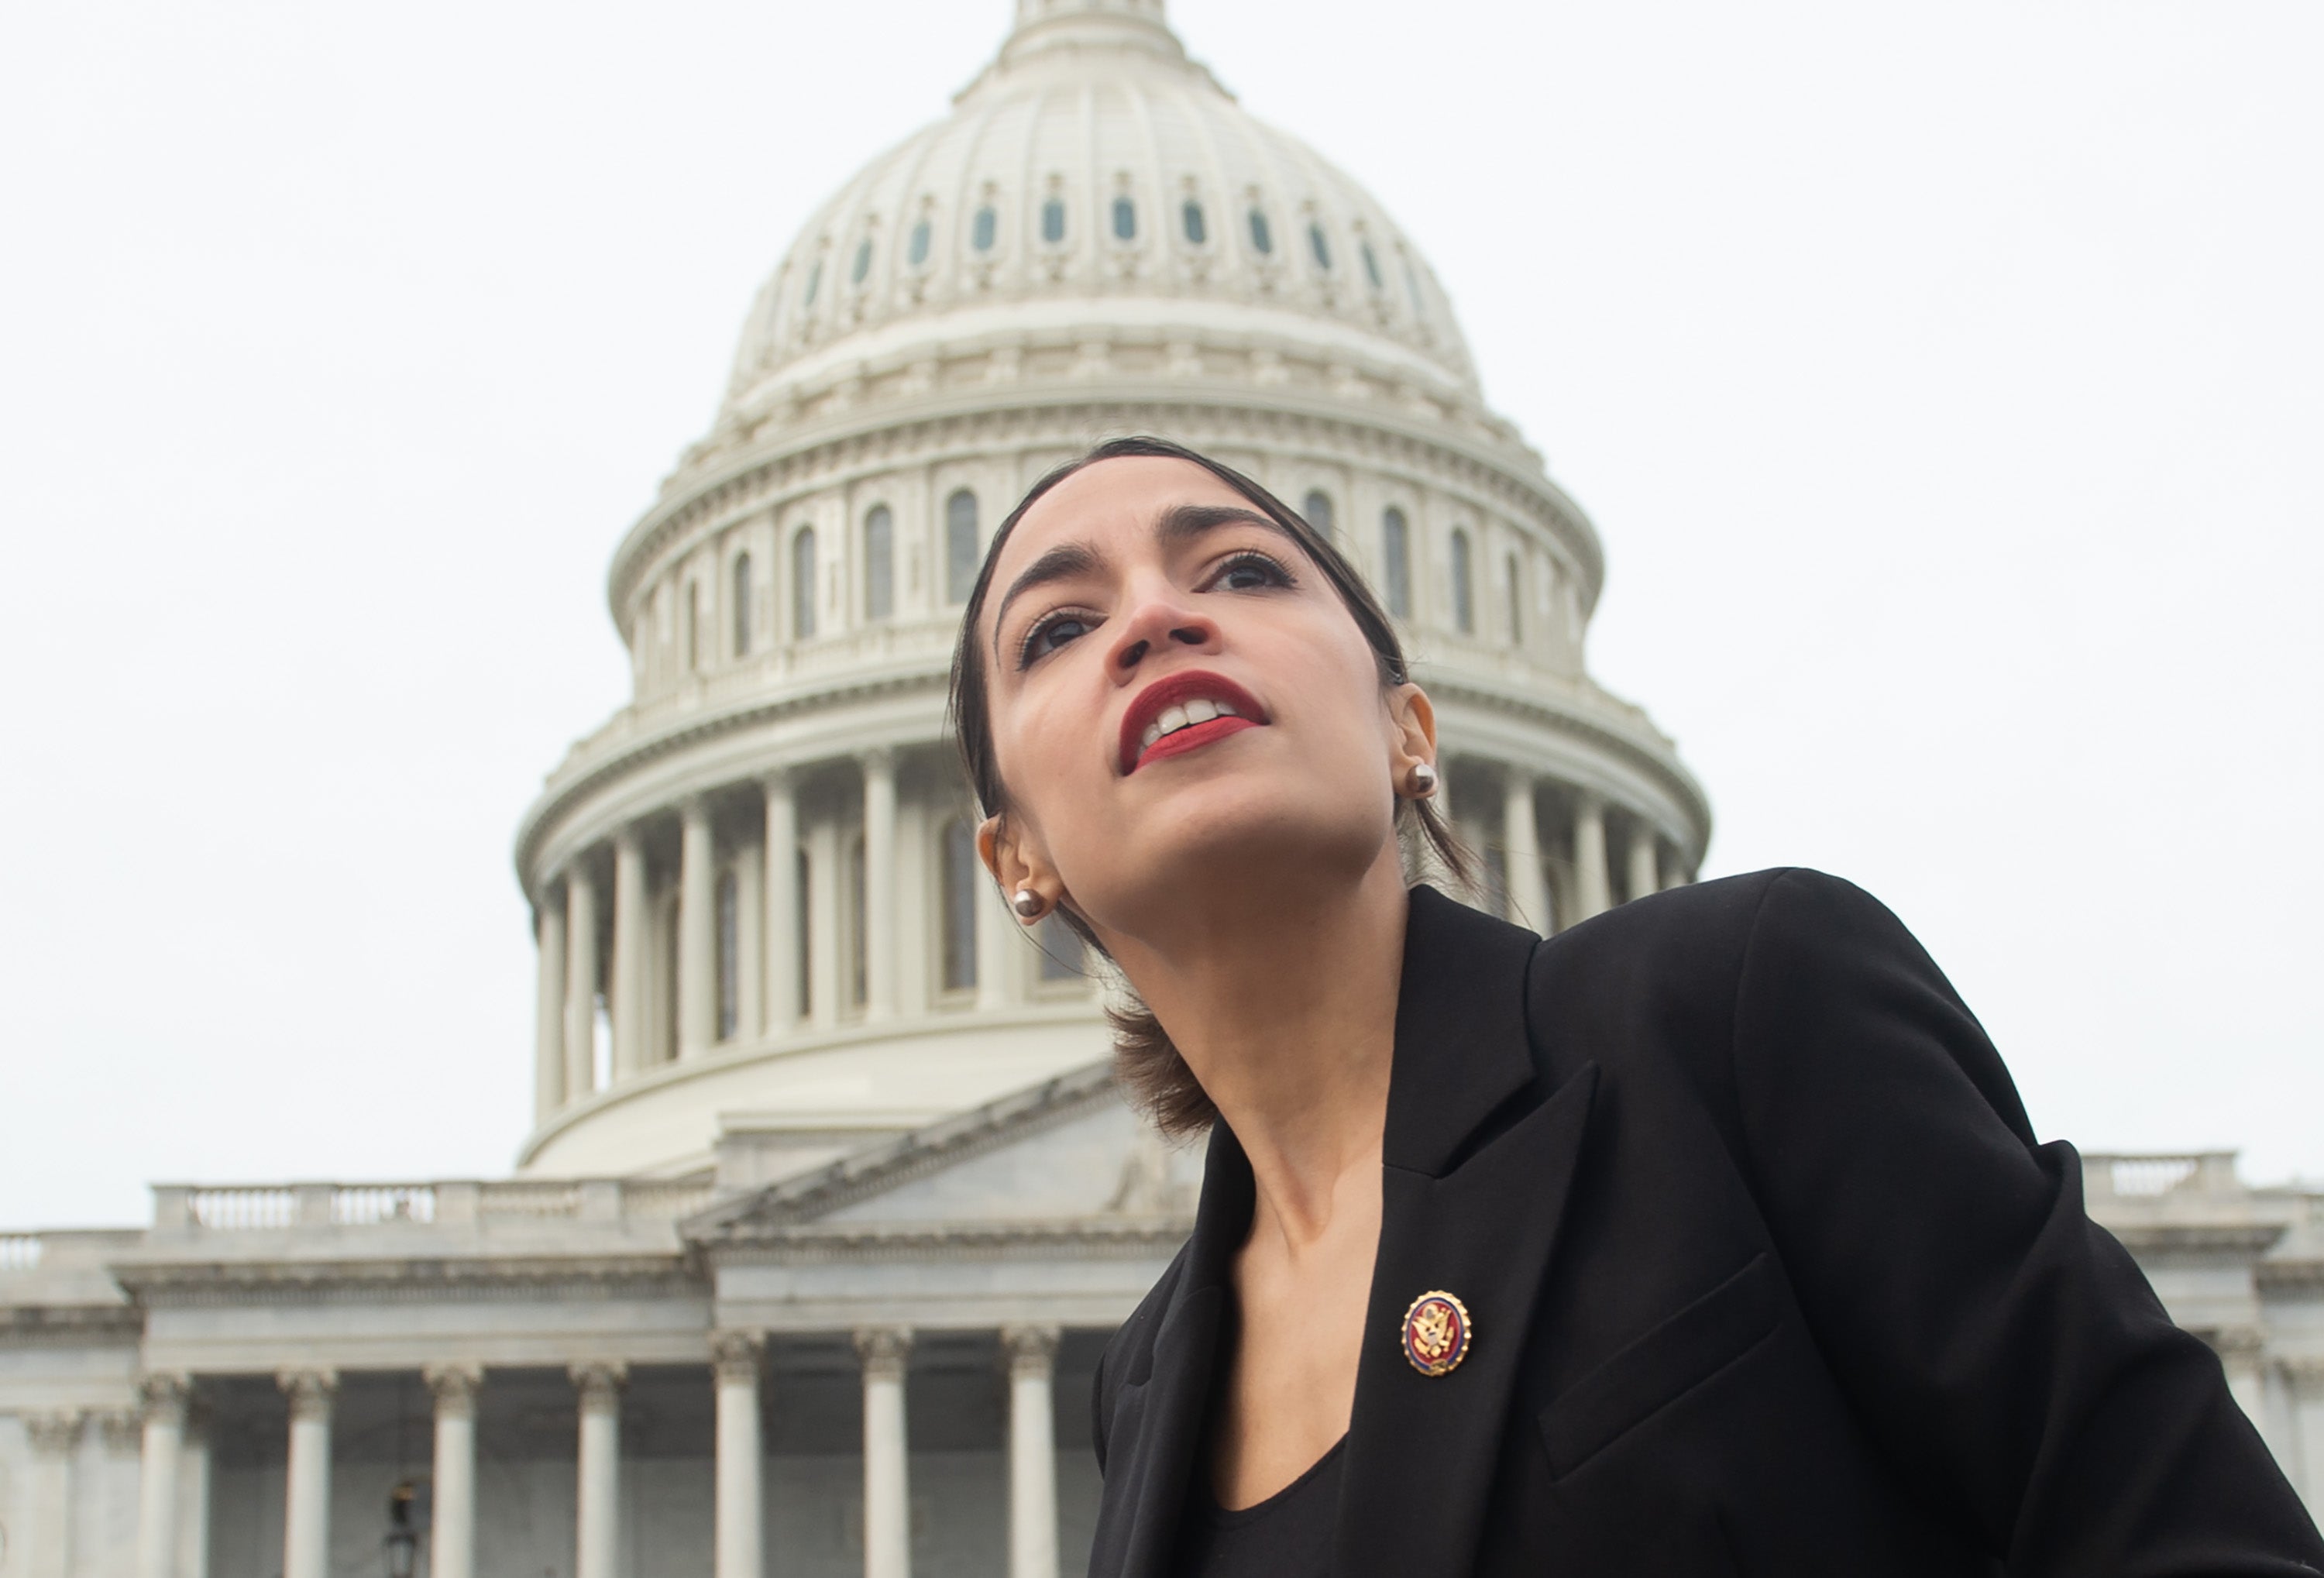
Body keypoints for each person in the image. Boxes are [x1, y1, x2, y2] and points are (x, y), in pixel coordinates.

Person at [946, 435, 2322, 1575]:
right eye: (1061, 626)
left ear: (1406, 730)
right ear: (1020, 859)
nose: (1154, 618)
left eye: (1243, 569)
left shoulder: (1739, 1006)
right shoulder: (1140, 1389)